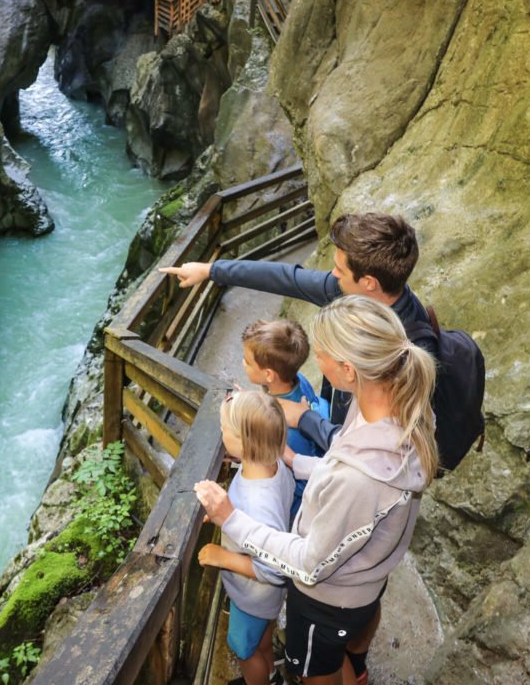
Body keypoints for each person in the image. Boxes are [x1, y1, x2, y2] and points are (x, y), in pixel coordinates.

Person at [195, 296, 439, 685]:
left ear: (347, 369)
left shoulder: (361, 479)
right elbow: (344, 460)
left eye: (321, 353)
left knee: (313, 671)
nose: (316, 361)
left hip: (328, 599)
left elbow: (308, 563)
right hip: (365, 583)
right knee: (341, 648)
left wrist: (232, 520)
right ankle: (356, 670)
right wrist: (297, 462)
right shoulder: (389, 408)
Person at [159, 212, 435, 451]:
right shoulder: (353, 293)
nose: (333, 275)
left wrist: (306, 419)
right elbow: (287, 278)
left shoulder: (406, 349)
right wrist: (212, 270)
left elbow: (373, 445)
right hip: (331, 414)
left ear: (369, 282)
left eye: (340, 269)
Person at [197, 390, 294, 685]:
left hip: (254, 595)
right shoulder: (271, 465)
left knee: (242, 648)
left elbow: (274, 569)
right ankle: (272, 674)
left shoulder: (258, 501)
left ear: (244, 443)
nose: (221, 433)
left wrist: (222, 556)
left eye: (225, 430)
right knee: (261, 638)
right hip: (267, 601)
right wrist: (223, 515)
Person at [240, 319, 324, 519]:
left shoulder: (280, 430)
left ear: (269, 375)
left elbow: (286, 477)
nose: (242, 363)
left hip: (295, 505)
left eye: (247, 361)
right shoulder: (298, 380)